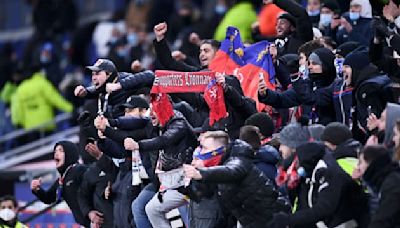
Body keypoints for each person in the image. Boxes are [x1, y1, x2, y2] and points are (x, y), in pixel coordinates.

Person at [183, 139, 290, 228]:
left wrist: (200, 173)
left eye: (205, 148)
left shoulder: (238, 160)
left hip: (271, 218)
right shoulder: (219, 170)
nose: (201, 153)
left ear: (218, 150)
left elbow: (232, 171)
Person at [124, 109, 197, 228]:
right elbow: (129, 125)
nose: (151, 114)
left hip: (185, 180)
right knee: (149, 208)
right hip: (163, 181)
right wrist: (109, 126)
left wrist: (138, 145)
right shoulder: (152, 127)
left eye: (155, 110)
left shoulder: (177, 123)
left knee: (187, 208)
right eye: (150, 110)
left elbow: (164, 141)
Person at [270, 142, 369, 228]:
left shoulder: (330, 174)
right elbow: (305, 205)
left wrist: (290, 220)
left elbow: (324, 208)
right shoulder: (308, 177)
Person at [30, 141, 89, 227]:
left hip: (98, 220)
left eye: (61, 150)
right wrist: (37, 190)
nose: (56, 153)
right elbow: (49, 198)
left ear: (70, 154)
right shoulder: (62, 178)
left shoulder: (79, 170)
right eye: (55, 151)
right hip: (85, 224)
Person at [10, 66, 73, 133]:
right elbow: (55, 99)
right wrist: (70, 108)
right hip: (46, 124)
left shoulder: (21, 89)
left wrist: (18, 123)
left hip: (30, 127)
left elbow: (17, 108)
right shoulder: (42, 83)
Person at [356, 146, 400, 227]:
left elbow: (383, 219)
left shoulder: (392, 185)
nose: (358, 167)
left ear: (371, 163)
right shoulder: (386, 179)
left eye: (360, 162)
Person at [78, 143, 116, 228]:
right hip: (105, 223)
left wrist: (100, 156)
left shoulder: (122, 163)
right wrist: (89, 212)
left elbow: (113, 170)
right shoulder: (92, 171)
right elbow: (82, 195)